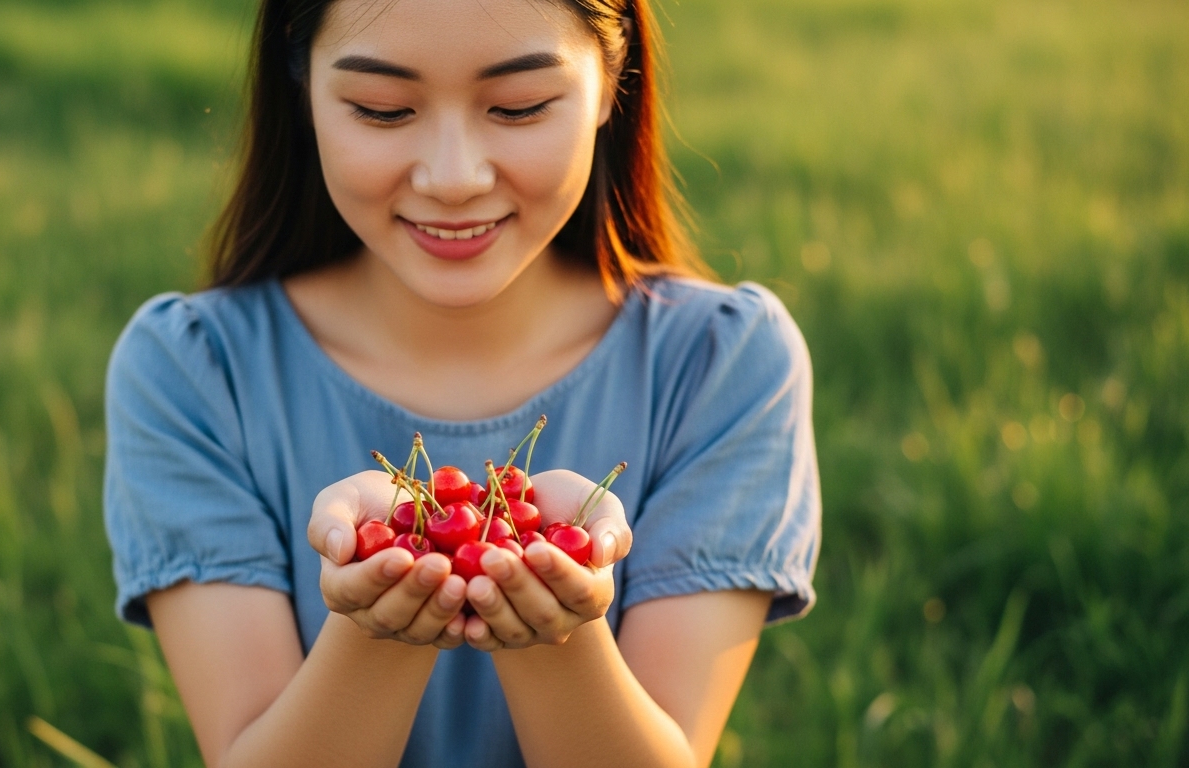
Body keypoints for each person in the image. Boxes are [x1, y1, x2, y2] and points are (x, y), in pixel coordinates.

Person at [102, 0, 820, 765]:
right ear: (302, 89)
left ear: (613, 80)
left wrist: (553, 625)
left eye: (518, 107)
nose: (453, 177)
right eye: (383, 110)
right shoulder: (196, 370)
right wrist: (381, 618)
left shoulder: (721, 364)